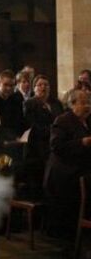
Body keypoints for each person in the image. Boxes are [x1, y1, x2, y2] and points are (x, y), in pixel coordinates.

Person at [44, 89, 91, 239]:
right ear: (72, 104)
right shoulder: (63, 120)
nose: (87, 106)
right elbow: (56, 146)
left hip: (82, 168)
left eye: (89, 102)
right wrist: (82, 142)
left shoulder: (88, 120)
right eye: (83, 103)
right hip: (65, 172)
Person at [23, 74, 63, 199]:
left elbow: (62, 121)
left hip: (55, 143)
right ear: (34, 88)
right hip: (38, 146)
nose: (43, 87)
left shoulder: (56, 103)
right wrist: (53, 131)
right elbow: (32, 126)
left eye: (46, 84)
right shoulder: (29, 104)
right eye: (40, 85)